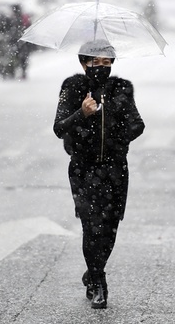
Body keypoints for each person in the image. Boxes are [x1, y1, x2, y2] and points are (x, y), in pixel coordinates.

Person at [53, 39, 145, 309]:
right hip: (84, 169)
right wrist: (82, 114)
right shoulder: (72, 87)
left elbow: (138, 124)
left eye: (107, 63)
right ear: (83, 63)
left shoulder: (122, 88)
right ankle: (98, 281)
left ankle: (93, 269)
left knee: (109, 228)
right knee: (91, 226)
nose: (101, 68)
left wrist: (117, 132)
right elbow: (59, 127)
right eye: (95, 62)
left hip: (115, 170)